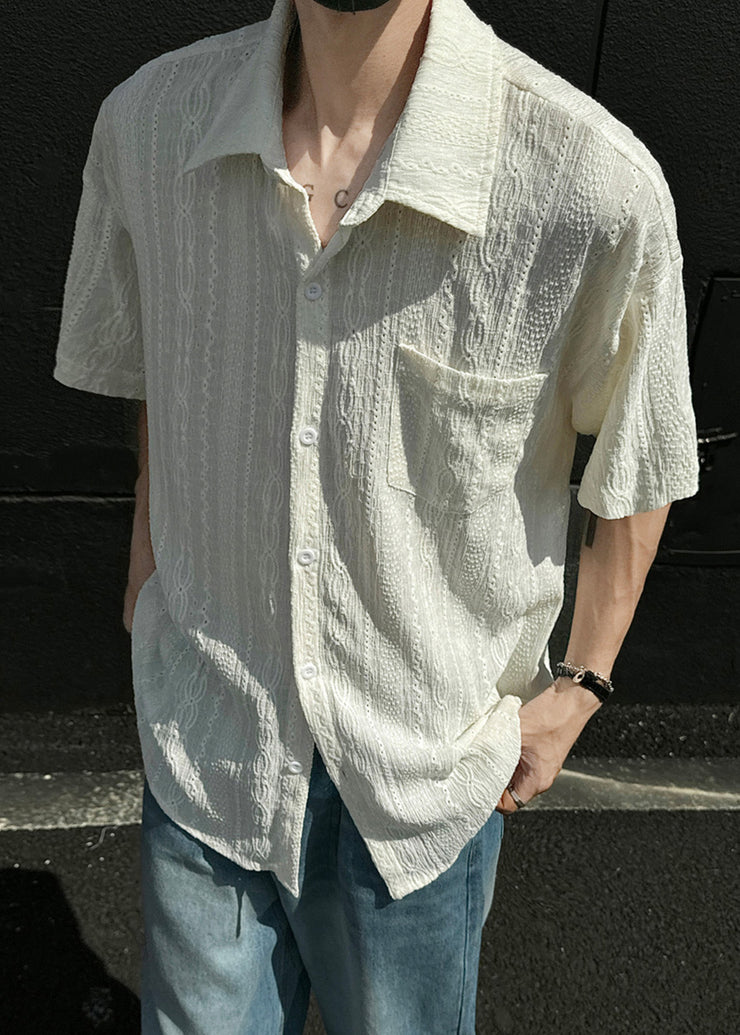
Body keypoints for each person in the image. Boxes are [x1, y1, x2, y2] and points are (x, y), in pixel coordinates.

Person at [52, 0, 700, 1030]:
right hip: (207, 736)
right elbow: (159, 364)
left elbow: (641, 454)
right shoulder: (151, 128)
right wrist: (147, 553)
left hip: (418, 787)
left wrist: (578, 687)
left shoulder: (586, 182)